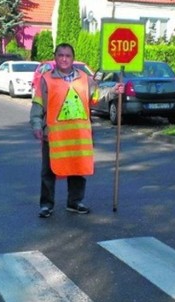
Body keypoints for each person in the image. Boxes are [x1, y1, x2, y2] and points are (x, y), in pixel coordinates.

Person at [30, 43, 122, 218]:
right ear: (55, 57)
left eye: (68, 56)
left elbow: (96, 97)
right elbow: (38, 105)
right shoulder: (46, 79)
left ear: (73, 58)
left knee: (77, 169)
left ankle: (74, 202)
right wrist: (36, 125)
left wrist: (113, 91)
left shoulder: (85, 79)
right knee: (48, 172)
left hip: (79, 136)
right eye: (60, 55)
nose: (64, 59)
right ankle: (46, 205)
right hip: (54, 136)